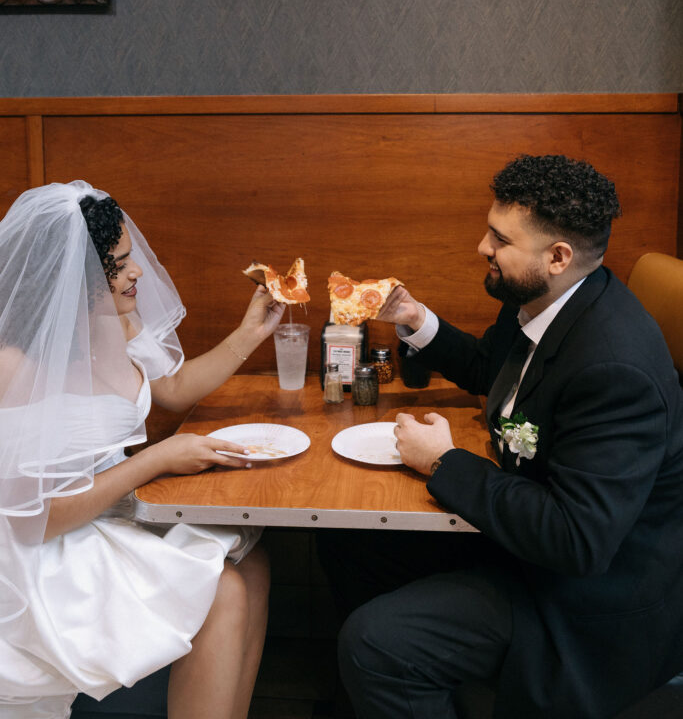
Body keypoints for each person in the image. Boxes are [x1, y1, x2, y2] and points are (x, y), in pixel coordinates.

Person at [318, 154, 683, 719]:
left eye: (499, 239)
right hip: (531, 542)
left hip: (582, 599)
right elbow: (497, 369)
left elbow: (577, 539)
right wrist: (416, 319)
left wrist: (445, 464)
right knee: (348, 541)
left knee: (373, 641)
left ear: (557, 257)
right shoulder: (545, 302)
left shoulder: (615, 369)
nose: (481, 248)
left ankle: (385, 669)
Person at [0, 180, 286, 719]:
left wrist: (250, 333)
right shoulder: (15, 365)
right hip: (44, 550)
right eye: (118, 264)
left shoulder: (119, 320)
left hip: (110, 510)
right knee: (222, 588)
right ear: (75, 276)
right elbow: (34, 519)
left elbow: (173, 389)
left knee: (255, 563)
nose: (136, 273)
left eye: (132, 257)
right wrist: (153, 460)